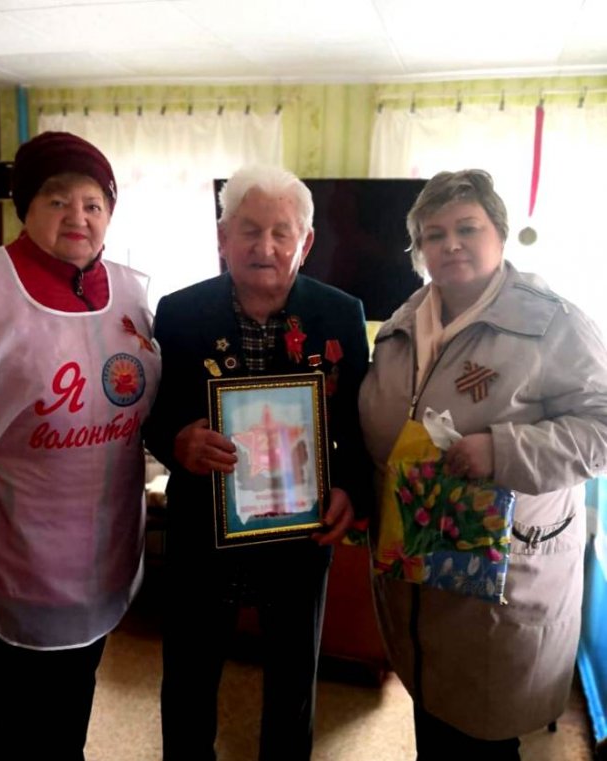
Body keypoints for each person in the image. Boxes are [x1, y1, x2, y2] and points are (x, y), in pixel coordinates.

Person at [0, 131, 161, 761]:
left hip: (103, 555)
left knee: (73, 700)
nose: (78, 216)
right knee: (18, 722)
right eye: (57, 200)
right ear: (26, 207)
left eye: (94, 203)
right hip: (15, 557)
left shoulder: (131, 295)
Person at [358, 168, 607, 760]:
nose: (450, 245)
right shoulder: (403, 323)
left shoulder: (552, 323)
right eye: (433, 234)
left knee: (482, 736)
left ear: (499, 232)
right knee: (435, 721)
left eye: (467, 228)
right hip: (418, 574)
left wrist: (503, 450)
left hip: (503, 580)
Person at [143, 165, 371, 761]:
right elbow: (154, 415)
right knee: (188, 685)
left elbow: (356, 424)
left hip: (301, 536)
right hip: (203, 533)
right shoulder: (179, 312)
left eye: (280, 232)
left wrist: (350, 488)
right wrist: (177, 442)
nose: (263, 247)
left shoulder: (341, 314)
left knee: (293, 688)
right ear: (223, 237)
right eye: (248, 230)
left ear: (305, 241)